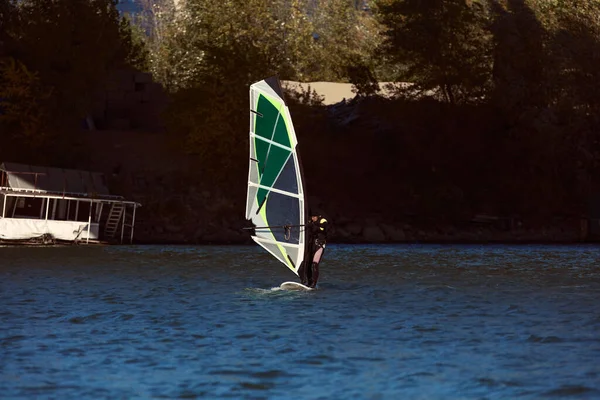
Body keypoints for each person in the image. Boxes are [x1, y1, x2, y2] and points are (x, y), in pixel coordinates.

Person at [299, 213, 328, 288]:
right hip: (311, 246)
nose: (313, 218)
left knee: (315, 264)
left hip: (319, 246)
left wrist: (313, 224)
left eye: (315, 217)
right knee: (307, 264)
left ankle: (313, 284)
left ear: (318, 216)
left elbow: (322, 228)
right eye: (312, 217)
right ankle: (308, 282)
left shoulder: (323, 221)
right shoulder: (310, 222)